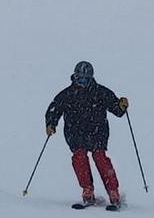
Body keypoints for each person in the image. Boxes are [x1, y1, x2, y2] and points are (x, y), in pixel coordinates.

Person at [45, 61, 129, 209]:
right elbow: (54, 109)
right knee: (79, 157)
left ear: (91, 78)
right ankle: (87, 189)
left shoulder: (100, 92)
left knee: (100, 157)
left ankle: (113, 191)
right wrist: (51, 124)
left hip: (98, 131)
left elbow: (116, 109)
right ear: (74, 77)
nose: (82, 82)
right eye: (79, 78)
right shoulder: (67, 94)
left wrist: (121, 105)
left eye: (85, 79)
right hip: (75, 132)